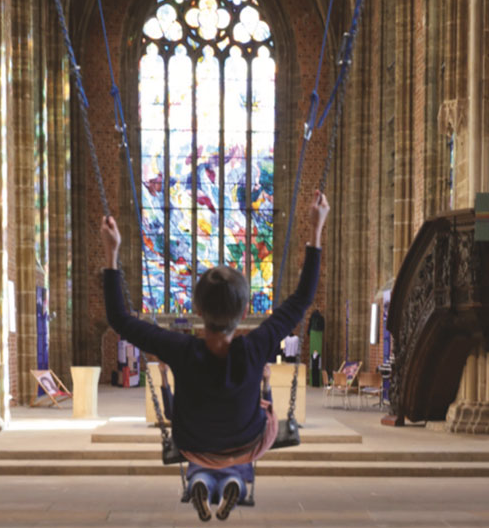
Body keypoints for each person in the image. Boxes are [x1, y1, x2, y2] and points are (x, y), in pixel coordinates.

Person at [101, 189, 329, 466]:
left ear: (197, 310)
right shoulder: (256, 346)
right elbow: (302, 299)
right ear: (245, 312)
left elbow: (119, 319)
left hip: (192, 446)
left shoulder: (180, 349)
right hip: (250, 444)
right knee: (266, 409)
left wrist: (111, 253)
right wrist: (316, 230)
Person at [158, 362, 275, 521]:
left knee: (200, 480)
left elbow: (172, 412)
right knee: (236, 484)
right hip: (235, 465)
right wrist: (266, 383)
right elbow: (264, 416)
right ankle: (227, 490)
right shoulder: (240, 404)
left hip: (202, 462)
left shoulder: (199, 403)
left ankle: (201, 488)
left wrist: (164, 375)